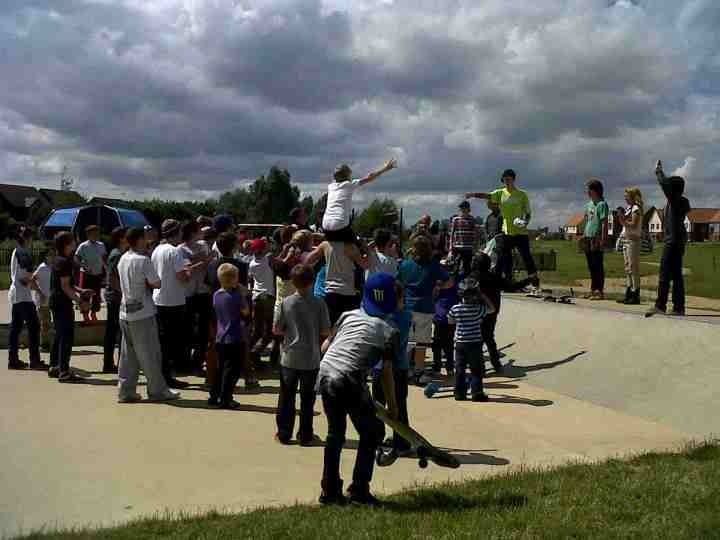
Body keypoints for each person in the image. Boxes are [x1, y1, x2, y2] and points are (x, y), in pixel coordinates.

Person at [318, 273, 400, 506]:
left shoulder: (347, 315)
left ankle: (330, 491)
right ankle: (359, 490)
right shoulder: (388, 330)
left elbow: (325, 347)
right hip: (349, 378)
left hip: (326, 373)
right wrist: (392, 406)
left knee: (335, 434)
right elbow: (385, 372)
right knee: (372, 433)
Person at [117, 227, 180, 403]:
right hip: (143, 313)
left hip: (125, 311)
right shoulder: (143, 260)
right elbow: (157, 283)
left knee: (128, 355)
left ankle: (126, 391)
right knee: (150, 353)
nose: (147, 241)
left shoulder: (123, 258)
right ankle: (157, 390)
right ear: (138, 240)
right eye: (144, 238)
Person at [273, 264, 331, 445]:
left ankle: (284, 433)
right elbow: (325, 330)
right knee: (308, 399)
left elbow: (277, 329)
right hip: (311, 357)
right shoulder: (319, 303)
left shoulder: (286, 302)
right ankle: (305, 434)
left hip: (290, 356)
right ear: (312, 281)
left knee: (286, 396)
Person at [469, 252, 537, 374]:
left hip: (475, 314)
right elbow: (512, 287)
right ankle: (496, 365)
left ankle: (481, 368)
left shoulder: (472, 278)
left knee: (477, 341)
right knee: (489, 338)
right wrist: (529, 280)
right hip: (492, 312)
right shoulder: (494, 277)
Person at [466, 169, 538, 282]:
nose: (506, 182)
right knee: (502, 257)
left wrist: (525, 222)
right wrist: (473, 194)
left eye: (508, 179)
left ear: (513, 180)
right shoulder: (500, 193)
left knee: (526, 257)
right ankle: (502, 280)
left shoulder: (522, 195)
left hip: (520, 232)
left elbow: (528, 212)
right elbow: (488, 196)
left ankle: (534, 282)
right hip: (507, 232)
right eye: (504, 180)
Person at [397, 235, 452, 382]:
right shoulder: (434, 266)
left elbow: (398, 283)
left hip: (408, 306)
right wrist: (439, 286)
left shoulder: (405, 265)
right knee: (421, 342)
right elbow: (450, 282)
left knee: (408, 340)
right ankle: (418, 371)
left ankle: (405, 369)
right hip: (425, 306)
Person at [372, 281, 413, 464]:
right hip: (395, 367)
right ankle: (396, 440)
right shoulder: (404, 315)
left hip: (386, 366)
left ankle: (389, 440)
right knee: (393, 405)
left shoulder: (386, 317)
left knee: (386, 406)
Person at [646, 161, 691, 317]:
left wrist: (658, 171)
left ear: (673, 189)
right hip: (677, 241)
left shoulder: (675, 200)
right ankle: (679, 307)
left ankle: (661, 305)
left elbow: (665, 185)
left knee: (665, 274)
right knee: (676, 275)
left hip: (673, 242)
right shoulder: (679, 202)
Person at [151, 219, 192, 388]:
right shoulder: (175, 252)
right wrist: (189, 271)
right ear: (176, 233)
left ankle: (163, 374)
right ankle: (168, 376)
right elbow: (182, 277)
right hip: (173, 300)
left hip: (159, 299)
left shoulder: (157, 250)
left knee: (162, 341)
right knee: (171, 341)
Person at [321, 159, 397, 243]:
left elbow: (337, 176)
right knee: (359, 246)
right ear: (347, 176)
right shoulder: (349, 185)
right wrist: (385, 168)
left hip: (325, 225)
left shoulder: (331, 186)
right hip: (340, 224)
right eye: (350, 175)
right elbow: (369, 177)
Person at [447, 277, 496, 401]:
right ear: (476, 294)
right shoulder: (478, 309)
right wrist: (483, 296)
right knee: (476, 369)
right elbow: (492, 309)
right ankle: (477, 393)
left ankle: (459, 393)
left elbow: (450, 321)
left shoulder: (455, 309)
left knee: (459, 369)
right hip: (475, 343)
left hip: (460, 343)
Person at [49, 232, 88, 382]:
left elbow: (67, 284)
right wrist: (80, 301)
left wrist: (80, 290)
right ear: (67, 243)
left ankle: (55, 367)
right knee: (66, 337)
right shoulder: (63, 262)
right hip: (62, 303)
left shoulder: (59, 260)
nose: (75, 242)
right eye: (73, 241)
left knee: (59, 335)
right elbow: (65, 287)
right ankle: (64, 372)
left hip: (57, 301)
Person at [210, 263, 250, 409]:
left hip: (220, 337)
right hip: (234, 336)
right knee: (232, 370)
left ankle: (214, 395)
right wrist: (244, 296)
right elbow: (245, 312)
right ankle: (226, 398)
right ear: (233, 279)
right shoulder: (236, 296)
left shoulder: (216, 295)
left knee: (221, 368)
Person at [8, 226, 44, 370]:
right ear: (29, 238)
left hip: (17, 294)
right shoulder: (24, 253)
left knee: (15, 328)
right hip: (23, 296)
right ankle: (34, 360)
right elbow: (24, 278)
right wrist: (39, 291)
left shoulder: (17, 251)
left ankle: (13, 359)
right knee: (34, 327)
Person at [307, 240, 367, 325]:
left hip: (331, 292)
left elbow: (309, 259)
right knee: (346, 326)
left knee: (330, 326)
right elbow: (365, 264)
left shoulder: (326, 244)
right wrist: (367, 249)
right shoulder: (351, 247)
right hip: (348, 293)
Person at [180, 221, 212, 374]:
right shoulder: (181, 249)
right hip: (189, 292)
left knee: (203, 330)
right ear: (192, 232)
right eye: (199, 230)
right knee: (187, 329)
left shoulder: (203, 246)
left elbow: (205, 265)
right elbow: (187, 269)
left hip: (203, 291)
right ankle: (185, 362)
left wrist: (202, 260)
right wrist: (203, 260)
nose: (202, 232)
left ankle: (198, 362)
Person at [247, 238, 279, 367]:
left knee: (257, 330)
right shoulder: (269, 258)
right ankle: (255, 352)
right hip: (268, 297)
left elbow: (250, 279)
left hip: (256, 297)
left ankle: (246, 351)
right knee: (269, 331)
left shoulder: (251, 263)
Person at [102, 227, 127, 374]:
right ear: (121, 238)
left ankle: (114, 363)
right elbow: (111, 278)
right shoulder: (116, 254)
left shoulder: (119, 253)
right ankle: (109, 363)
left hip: (116, 296)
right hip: (116, 297)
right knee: (114, 332)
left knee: (115, 332)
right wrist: (124, 293)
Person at [582, 179, 609, 300]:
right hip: (588, 237)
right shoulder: (589, 205)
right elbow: (587, 220)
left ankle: (599, 291)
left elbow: (604, 223)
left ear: (595, 191)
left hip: (597, 238)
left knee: (597, 265)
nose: (587, 192)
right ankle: (593, 290)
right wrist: (583, 234)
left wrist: (603, 239)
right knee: (591, 265)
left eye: (589, 189)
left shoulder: (602, 204)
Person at [617, 187, 644, 305]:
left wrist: (622, 220)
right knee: (628, 267)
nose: (624, 197)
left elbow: (633, 224)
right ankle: (629, 292)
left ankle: (635, 294)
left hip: (633, 240)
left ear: (632, 197)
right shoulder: (629, 208)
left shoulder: (636, 209)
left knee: (633, 268)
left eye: (626, 195)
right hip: (626, 239)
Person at [74, 225, 106, 323]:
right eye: (93, 233)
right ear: (88, 235)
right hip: (87, 274)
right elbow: (76, 257)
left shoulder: (101, 245)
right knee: (85, 295)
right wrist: (83, 266)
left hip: (98, 273)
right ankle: (85, 314)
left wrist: (105, 271)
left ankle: (94, 313)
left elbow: (104, 257)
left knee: (96, 296)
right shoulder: (83, 246)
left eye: (97, 233)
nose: (96, 235)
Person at [431, 276, 458, 376]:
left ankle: (449, 368)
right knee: (438, 345)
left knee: (448, 345)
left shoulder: (455, 287)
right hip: (439, 319)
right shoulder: (437, 287)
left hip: (450, 320)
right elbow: (433, 297)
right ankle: (438, 368)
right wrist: (438, 288)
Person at [32, 249, 53, 353]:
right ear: (46, 257)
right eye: (50, 255)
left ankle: (49, 343)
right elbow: (32, 280)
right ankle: (43, 344)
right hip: (43, 300)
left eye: (53, 255)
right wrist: (40, 293)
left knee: (48, 323)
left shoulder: (54, 267)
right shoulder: (42, 268)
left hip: (52, 299)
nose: (52, 257)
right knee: (44, 324)